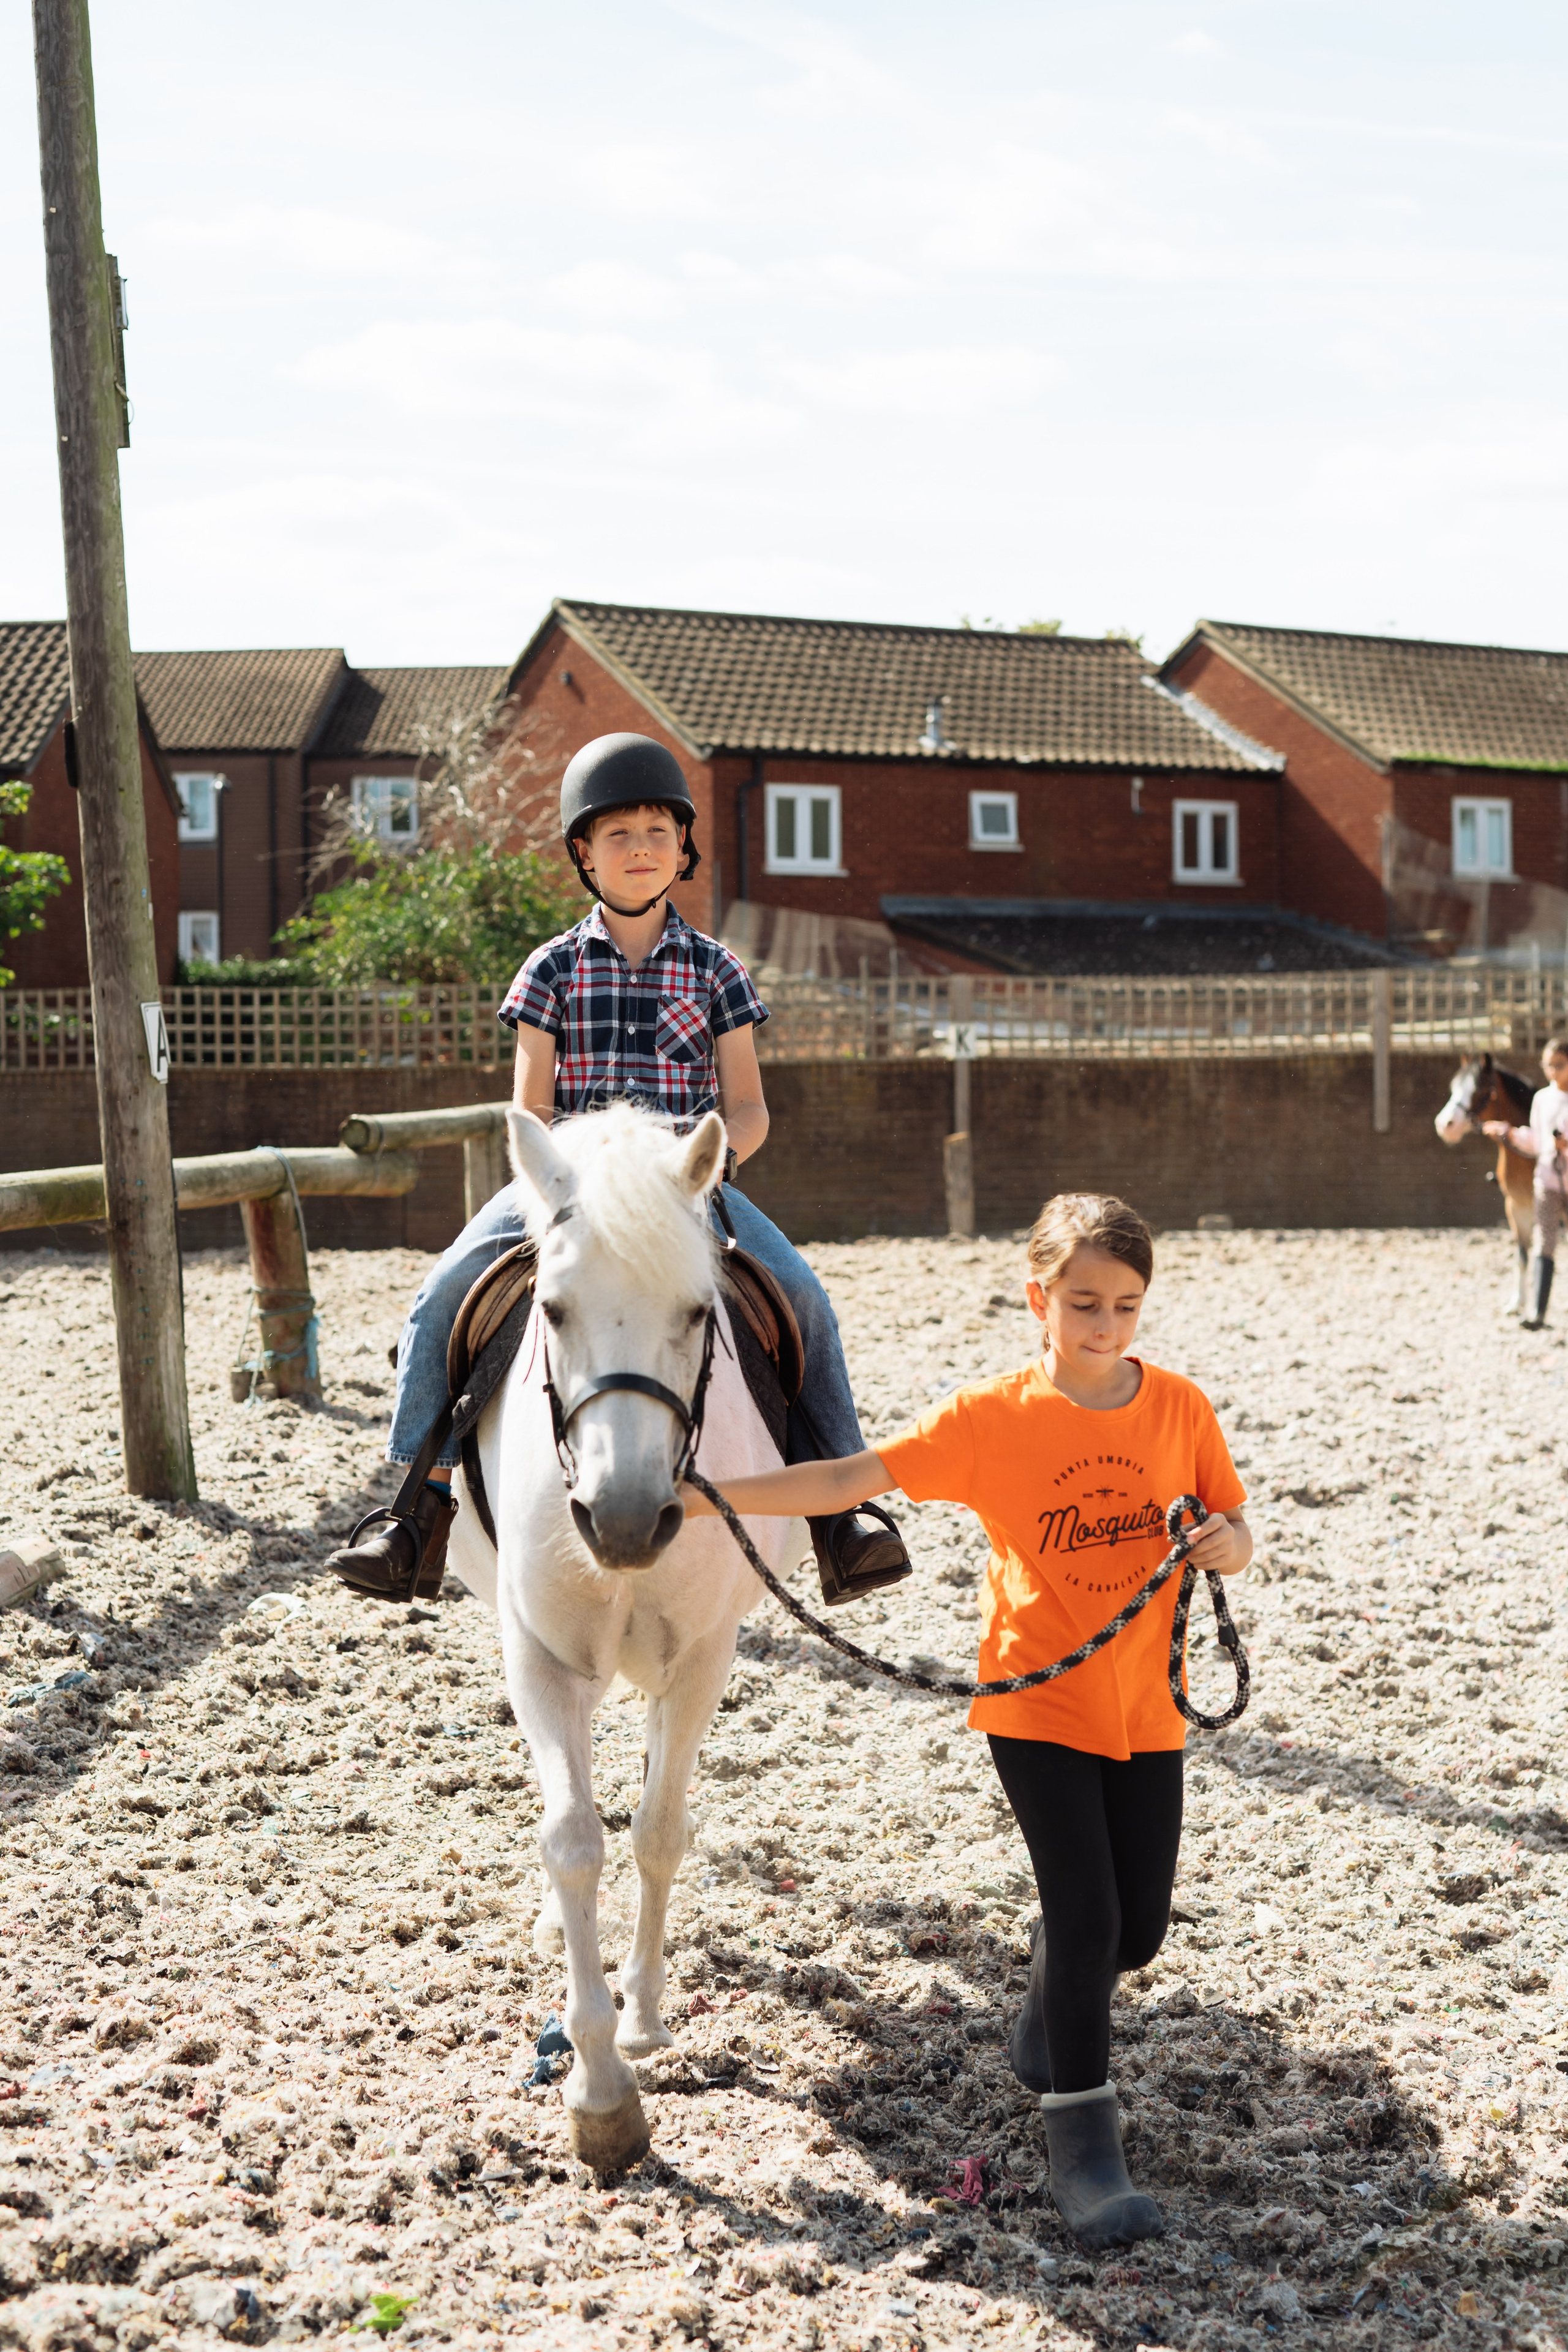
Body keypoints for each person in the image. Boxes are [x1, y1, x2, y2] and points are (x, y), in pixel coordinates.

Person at [684, 1191, 1251, 2248]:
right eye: (1084, 1303)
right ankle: (1084, 2146)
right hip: (1036, 1704)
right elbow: (854, 1475)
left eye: (1126, 1306)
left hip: (1147, 1708)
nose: (1105, 1327)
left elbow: (1231, 1521)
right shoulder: (990, 1419)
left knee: (1138, 1933)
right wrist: (712, 1493)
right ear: (1039, 1299)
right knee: (1088, 1918)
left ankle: (1052, 2001)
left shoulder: (1180, 1407)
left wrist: (1228, 1545)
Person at [324, 730, 911, 1605]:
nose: (641, 850)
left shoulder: (718, 970)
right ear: (584, 854)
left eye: (657, 833)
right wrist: (560, 1178)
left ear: (684, 847)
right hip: (570, 1190)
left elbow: (746, 1106)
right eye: (618, 835)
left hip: (682, 1193)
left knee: (804, 1300)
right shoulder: (549, 970)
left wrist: (700, 1171)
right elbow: (531, 1109)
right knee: (444, 1290)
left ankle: (843, 1515)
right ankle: (416, 1505)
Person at [1482, 1036, 1568, 1329]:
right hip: (1547, 1180)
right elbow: (1534, 1139)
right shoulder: (1543, 1099)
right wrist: (1508, 1132)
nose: (1553, 1071)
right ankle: (1537, 1312)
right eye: (1548, 1065)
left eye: (1559, 1065)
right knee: (1543, 1243)